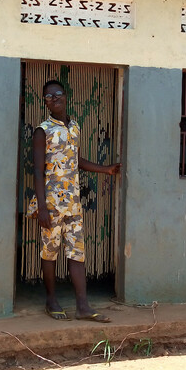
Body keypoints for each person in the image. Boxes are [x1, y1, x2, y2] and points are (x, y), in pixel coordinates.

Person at [31, 79, 121, 323]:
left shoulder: (75, 127)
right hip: (51, 203)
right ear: (45, 102)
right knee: (50, 253)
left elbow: (75, 160)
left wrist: (105, 170)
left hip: (73, 202)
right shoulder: (43, 131)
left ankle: (83, 307)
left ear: (66, 96)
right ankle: (51, 300)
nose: (54, 98)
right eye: (48, 96)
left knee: (76, 253)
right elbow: (38, 171)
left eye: (57, 93)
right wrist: (42, 207)